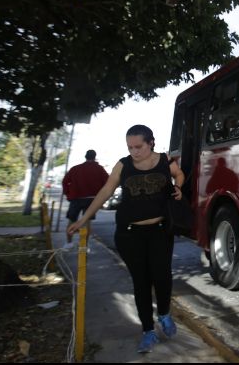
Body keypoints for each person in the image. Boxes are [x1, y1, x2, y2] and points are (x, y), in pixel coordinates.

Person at [67, 125, 185, 354]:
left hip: (160, 231)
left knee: (162, 276)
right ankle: (148, 331)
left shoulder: (165, 160)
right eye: (130, 147)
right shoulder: (123, 165)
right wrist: (83, 220)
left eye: (138, 146)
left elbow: (178, 173)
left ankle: (164, 313)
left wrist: (179, 186)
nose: (134, 151)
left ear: (151, 142)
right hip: (130, 234)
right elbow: (105, 192)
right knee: (141, 282)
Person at [61, 149, 109, 249]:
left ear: (85, 157)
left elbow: (65, 182)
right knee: (87, 222)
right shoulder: (100, 169)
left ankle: (68, 243)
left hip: (76, 198)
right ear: (94, 157)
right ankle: (84, 246)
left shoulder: (75, 168)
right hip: (92, 199)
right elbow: (108, 183)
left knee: (71, 220)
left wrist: (68, 194)